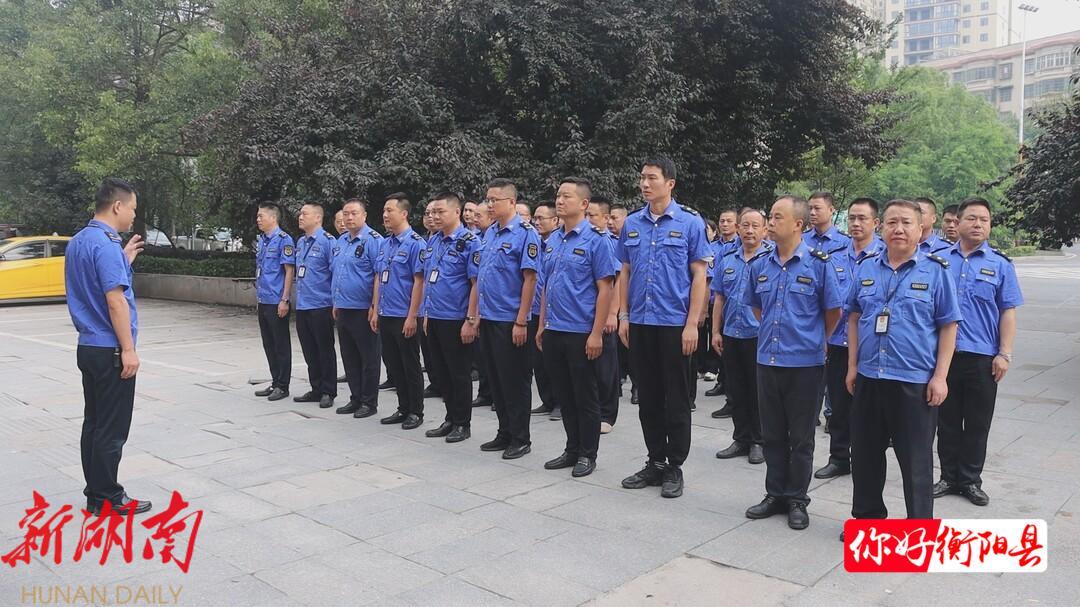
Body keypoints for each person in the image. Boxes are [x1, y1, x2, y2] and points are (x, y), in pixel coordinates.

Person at [846, 198, 960, 525]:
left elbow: (948, 325)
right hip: (870, 376)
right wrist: (852, 366)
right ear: (881, 227)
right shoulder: (866, 267)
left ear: (921, 228)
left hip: (914, 381)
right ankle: (868, 521)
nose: (898, 229)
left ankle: (919, 526)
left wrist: (940, 377)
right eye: (892, 222)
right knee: (865, 455)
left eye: (906, 222)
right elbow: (853, 316)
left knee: (916, 460)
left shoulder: (936, 271)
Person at [743, 195, 842, 531]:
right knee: (772, 433)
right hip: (768, 360)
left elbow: (833, 312)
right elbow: (757, 307)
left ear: (798, 224)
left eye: (777, 217)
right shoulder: (760, 264)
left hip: (805, 365)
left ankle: (797, 498)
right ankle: (775, 493)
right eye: (770, 216)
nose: (770, 223)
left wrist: (812, 339)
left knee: (801, 438)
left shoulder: (818, 264)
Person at [617, 157, 709, 499]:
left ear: (670, 183)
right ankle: (655, 460)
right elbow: (624, 271)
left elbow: (699, 275)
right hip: (641, 322)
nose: (645, 184)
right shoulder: (632, 223)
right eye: (642, 177)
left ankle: (674, 465)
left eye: (652, 178)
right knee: (648, 396)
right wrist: (623, 315)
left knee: (676, 397)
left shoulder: (690, 223)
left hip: (674, 324)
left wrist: (692, 324)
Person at [65, 177, 151, 515]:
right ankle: (107, 497)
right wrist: (128, 349)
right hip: (110, 349)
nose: (133, 215)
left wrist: (123, 260)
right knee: (112, 428)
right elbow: (115, 302)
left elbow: (92, 284)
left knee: (94, 422)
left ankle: (95, 493)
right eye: (132, 208)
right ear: (117, 206)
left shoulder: (80, 241)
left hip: (88, 346)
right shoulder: (106, 244)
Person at [935, 197, 1022, 506]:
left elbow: (1007, 311)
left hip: (983, 358)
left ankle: (970, 480)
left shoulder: (1000, 264)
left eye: (984, 220)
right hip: (944, 358)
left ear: (990, 225)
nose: (978, 224)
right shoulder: (938, 260)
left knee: (977, 422)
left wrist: (1004, 353)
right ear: (957, 222)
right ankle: (948, 476)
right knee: (945, 421)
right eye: (971, 218)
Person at [537, 177, 618, 477]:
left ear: (583, 204)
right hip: (554, 328)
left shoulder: (597, 241)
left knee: (585, 396)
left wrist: (596, 333)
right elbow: (546, 286)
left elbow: (605, 289)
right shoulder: (553, 240)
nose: (559, 201)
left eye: (566, 196)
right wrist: (542, 324)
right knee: (565, 394)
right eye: (558, 195)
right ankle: (571, 448)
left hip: (581, 331)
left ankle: (587, 453)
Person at [813, 197, 885, 480]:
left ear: (875, 223)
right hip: (838, 343)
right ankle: (839, 457)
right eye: (852, 218)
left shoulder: (884, 257)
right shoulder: (835, 257)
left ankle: (867, 461)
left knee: (869, 410)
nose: (856, 223)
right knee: (839, 406)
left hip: (870, 346)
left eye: (862, 218)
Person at [476, 178, 542, 459]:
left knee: (515, 380)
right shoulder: (490, 232)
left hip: (510, 319)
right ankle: (504, 431)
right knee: (496, 379)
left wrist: (521, 321)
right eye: (488, 199)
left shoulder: (526, 234)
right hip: (489, 316)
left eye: (495, 200)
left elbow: (530, 279)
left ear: (512, 202)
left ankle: (520, 437)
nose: (490, 204)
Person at [711, 208, 770, 465]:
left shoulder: (770, 260)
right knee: (736, 390)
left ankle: (759, 440)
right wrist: (715, 331)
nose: (749, 230)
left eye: (755, 226)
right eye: (745, 225)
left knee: (757, 391)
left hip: (758, 335)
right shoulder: (728, 259)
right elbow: (719, 297)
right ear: (738, 228)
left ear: (765, 230)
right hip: (731, 333)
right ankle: (741, 438)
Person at [421, 192, 482, 443]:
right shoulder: (434, 240)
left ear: (457, 212)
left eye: (440, 212)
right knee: (441, 372)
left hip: (456, 317)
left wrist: (471, 319)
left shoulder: (470, 242)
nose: (434, 216)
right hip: (434, 315)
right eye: (432, 212)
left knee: (458, 373)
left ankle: (462, 423)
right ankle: (450, 417)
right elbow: (429, 278)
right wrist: (426, 313)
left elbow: (476, 283)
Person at [371, 193, 426, 430]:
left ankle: (415, 411)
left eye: (389, 210)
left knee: (410, 365)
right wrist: (375, 309)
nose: (385, 215)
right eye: (384, 210)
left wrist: (413, 316)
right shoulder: (386, 244)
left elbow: (419, 281)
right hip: (386, 313)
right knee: (394, 364)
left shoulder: (415, 244)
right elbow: (378, 278)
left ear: (403, 214)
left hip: (405, 315)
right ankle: (403, 407)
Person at [331, 199, 383, 419]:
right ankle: (355, 397)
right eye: (346, 214)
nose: (349, 218)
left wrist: (375, 306)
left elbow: (379, 275)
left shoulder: (374, 240)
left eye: (354, 213)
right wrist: (336, 302)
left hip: (363, 309)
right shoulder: (341, 241)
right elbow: (338, 273)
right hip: (343, 307)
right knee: (349, 356)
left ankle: (369, 402)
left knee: (368, 357)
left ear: (364, 215)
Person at [293, 203, 338, 408]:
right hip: (303, 305)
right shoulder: (301, 242)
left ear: (318, 218)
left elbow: (336, 273)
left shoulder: (328, 242)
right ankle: (316, 388)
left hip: (321, 305)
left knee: (324, 350)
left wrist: (335, 302)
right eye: (300, 213)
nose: (300, 217)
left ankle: (328, 390)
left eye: (305, 213)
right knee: (309, 350)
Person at [253, 203, 296, 402]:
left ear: (273, 218)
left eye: (261, 216)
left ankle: (283, 385)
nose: (258, 219)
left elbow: (289, 271)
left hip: (277, 300)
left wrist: (285, 299)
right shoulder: (262, 240)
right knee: (268, 344)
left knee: (280, 344)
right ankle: (275, 381)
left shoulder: (283, 240)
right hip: (263, 299)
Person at [586, 195, 621, 434]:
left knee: (605, 366)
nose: (588, 219)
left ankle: (607, 414)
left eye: (592, 215)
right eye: (586, 215)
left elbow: (615, 284)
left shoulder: (608, 242)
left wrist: (612, 314)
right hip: (586, 313)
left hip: (605, 312)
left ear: (606, 218)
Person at [529, 201, 561, 420]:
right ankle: (547, 399)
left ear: (555, 220)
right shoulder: (534, 243)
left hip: (553, 311)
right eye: (535, 218)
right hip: (534, 309)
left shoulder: (559, 243)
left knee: (554, 361)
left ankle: (560, 402)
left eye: (541, 218)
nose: (536, 222)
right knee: (538, 361)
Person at [470, 201, 496, 409]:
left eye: (479, 215)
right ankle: (486, 392)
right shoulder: (484, 238)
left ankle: (497, 396)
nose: (474, 218)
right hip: (484, 309)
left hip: (502, 312)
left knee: (501, 362)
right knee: (484, 357)